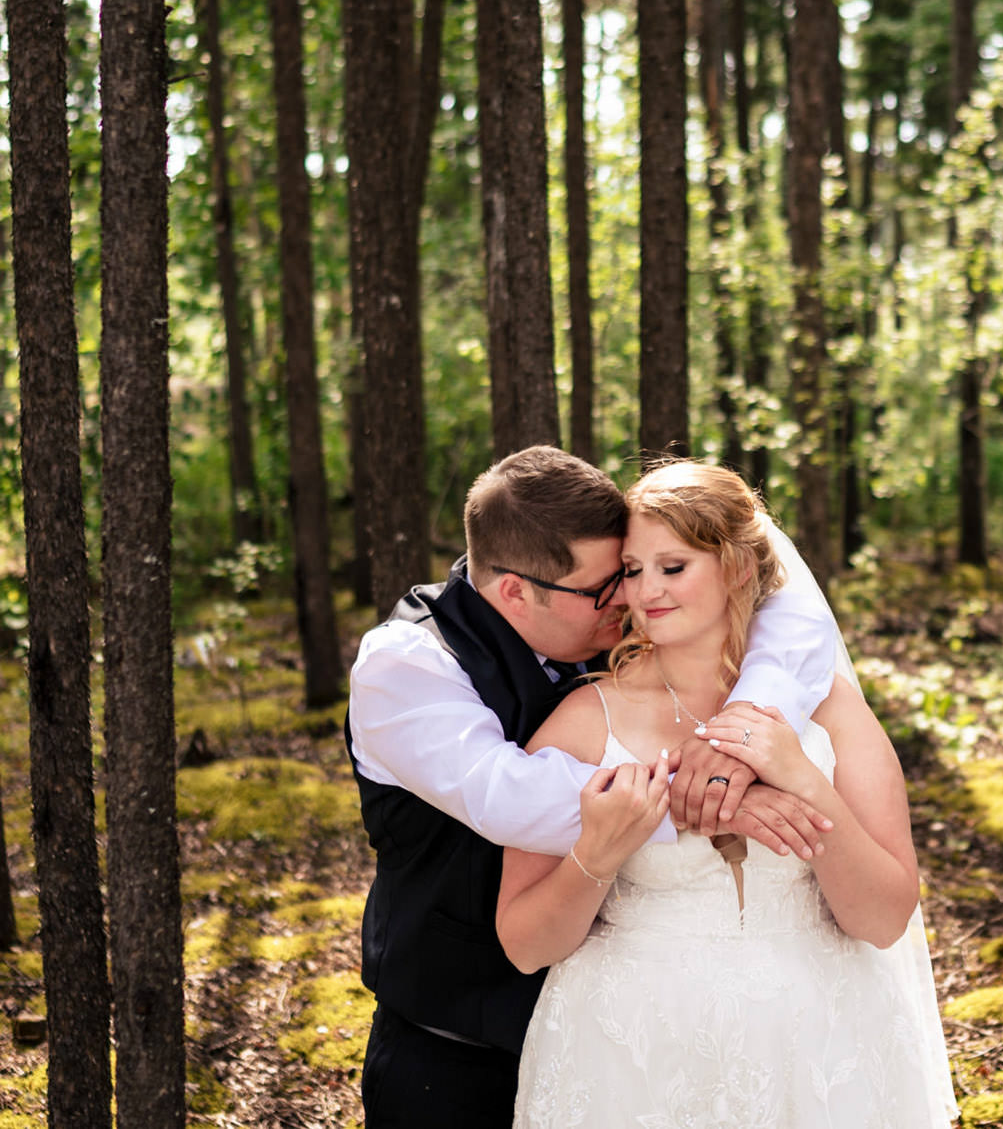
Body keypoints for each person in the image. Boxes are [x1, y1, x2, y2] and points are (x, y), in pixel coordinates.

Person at [347, 446, 851, 1129]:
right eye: (604, 586)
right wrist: (718, 796)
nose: (632, 597)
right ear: (516, 591)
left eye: (632, 572)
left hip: (612, 1044)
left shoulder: (629, 637)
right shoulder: (406, 663)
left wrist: (745, 716)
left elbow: (795, 613)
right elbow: (509, 796)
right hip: (452, 1052)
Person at [498, 461, 958, 1128]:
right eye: (632, 569)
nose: (646, 591)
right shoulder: (580, 724)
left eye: (673, 567)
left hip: (819, 1048)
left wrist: (800, 777)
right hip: (630, 1058)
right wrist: (599, 854)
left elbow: (885, 919)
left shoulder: (830, 713)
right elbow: (524, 944)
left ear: (737, 568)